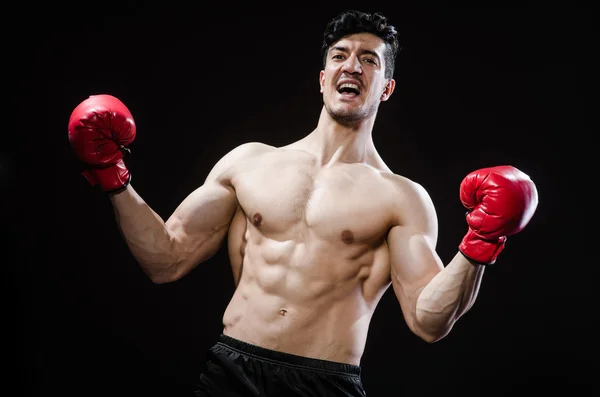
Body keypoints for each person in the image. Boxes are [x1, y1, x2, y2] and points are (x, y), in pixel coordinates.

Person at [66, 10, 539, 397]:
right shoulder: (249, 162)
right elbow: (165, 259)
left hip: (323, 384)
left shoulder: (400, 196)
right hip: (230, 371)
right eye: (340, 55)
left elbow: (428, 321)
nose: (351, 66)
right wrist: (112, 177)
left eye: (369, 60)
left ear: (386, 88)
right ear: (322, 77)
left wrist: (482, 241)